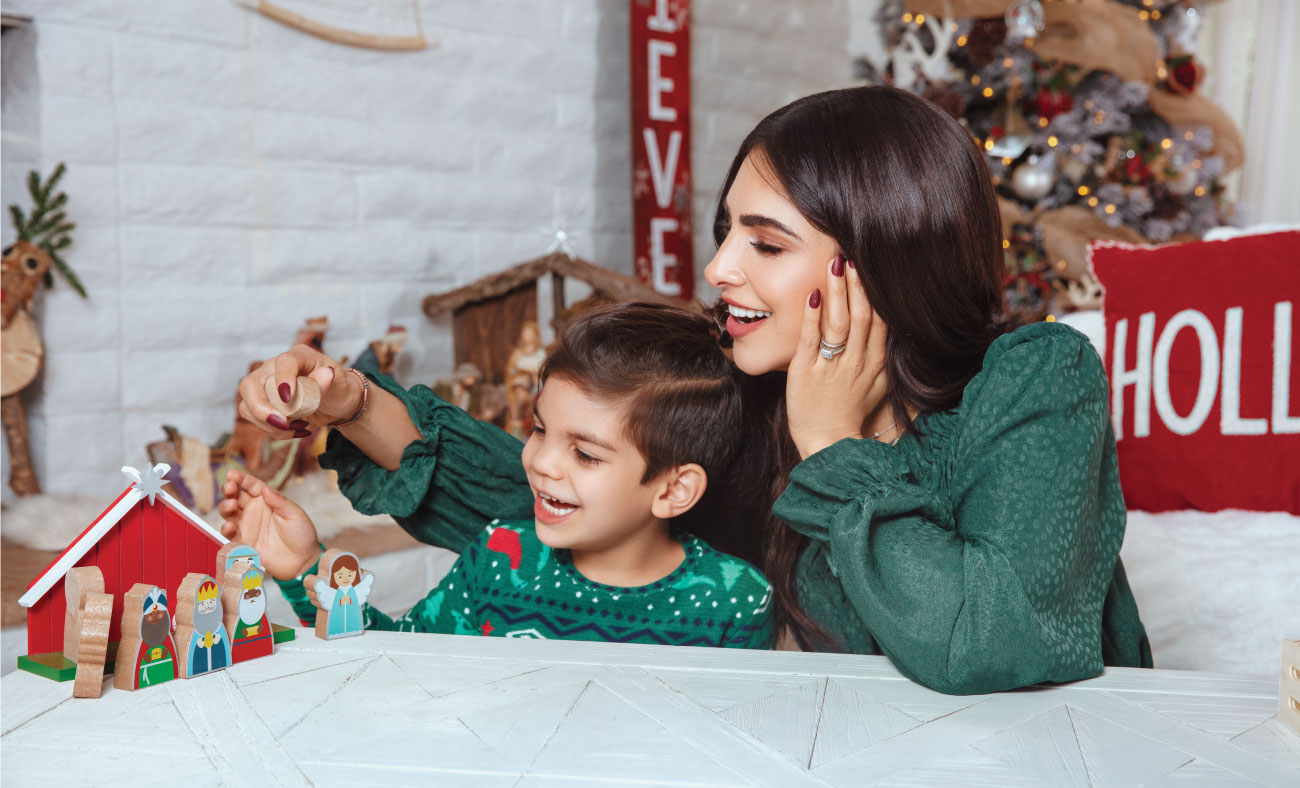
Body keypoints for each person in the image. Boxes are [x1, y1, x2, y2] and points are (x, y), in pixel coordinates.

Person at [234, 86, 1148, 693]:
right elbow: (567, 497)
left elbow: (992, 645)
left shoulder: (1036, 379)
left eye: (766, 242)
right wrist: (353, 403)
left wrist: (835, 446)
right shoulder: (747, 388)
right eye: (726, 233)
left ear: (876, 259)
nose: (718, 267)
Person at [221, 304, 774, 648]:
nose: (540, 462)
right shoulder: (499, 556)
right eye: (539, 429)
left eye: (585, 454)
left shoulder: (735, 603)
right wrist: (302, 566)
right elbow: (397, 661)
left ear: (673, 489)